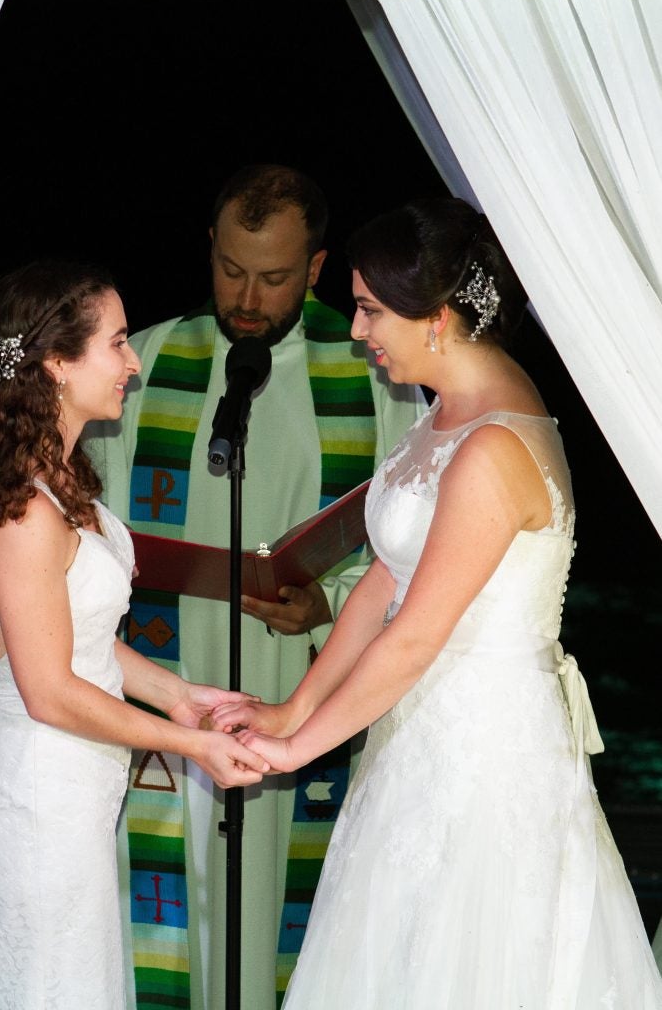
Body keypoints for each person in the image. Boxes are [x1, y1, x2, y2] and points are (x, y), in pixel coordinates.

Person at [215, 197, 662, 1007]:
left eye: (369, 309)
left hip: (483, 757)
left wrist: (296, 750)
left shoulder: (492, 446)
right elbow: (386, 577)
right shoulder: (442, 417)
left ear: (438, 317)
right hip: (415, 740)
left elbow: (415, 636)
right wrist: (292, 710)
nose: (356, 331)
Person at [82, 164, 427, 1009]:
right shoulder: (149, 362)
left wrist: (323, 603)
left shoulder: (377, 379)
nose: (246, 294)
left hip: (304, 677)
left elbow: (411, 548)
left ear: (313, 269)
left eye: (272, 277)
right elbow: (83, 520)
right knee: (174, 905)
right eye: (230, 269)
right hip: (170, 691)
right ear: (209, 248)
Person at [0, 260, 269, 1010]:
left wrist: (180, 695)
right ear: (54, 364)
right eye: (115, 343)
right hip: (38, 800)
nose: (133, 360)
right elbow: (39, 685)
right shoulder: (23, 514)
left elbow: (68, 641)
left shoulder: (46, 485)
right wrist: (195, 746)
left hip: (62, 791)